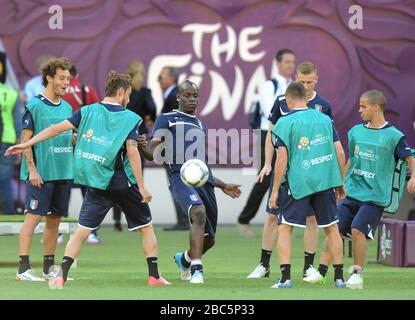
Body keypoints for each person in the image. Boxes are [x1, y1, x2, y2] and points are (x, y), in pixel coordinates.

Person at [7, 71, 170, 287]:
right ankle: (154, 276)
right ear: (120, 91)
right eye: (128, 95)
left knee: (81, 232)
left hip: (96, 183)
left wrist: (27, 144)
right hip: (122, 182)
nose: (129, 100)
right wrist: (142, 186)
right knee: (146, 227)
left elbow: (55, 129)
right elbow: (132, 153)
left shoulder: (86, 111)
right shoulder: (131, 118)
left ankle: (61, 275)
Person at [306, 90, 415, 289]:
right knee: (334, 230)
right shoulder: (355, 131)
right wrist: (342, 182)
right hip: (352, 191)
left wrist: (413, 177)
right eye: (359, 106)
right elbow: (351, 159)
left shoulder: (394, 136)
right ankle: (321, 272)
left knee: (357, 230)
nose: (360, 110)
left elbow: (410, 158)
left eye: (363, 106)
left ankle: (357, 275)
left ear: (376, 107)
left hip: (375, 196)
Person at [139, 80, 241, 284]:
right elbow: (152, 153)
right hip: (179, 177)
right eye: (187, 95)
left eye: (195, 96)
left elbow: (200, 166)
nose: (192, 99)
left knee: (210, 238)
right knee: (198, 213)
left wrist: (222, 185)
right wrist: (143, 145)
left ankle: (184, 260)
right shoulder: (166, 119)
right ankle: (196, 271)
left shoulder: (198, 124)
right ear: (178, 96)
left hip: (203, 181)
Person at [247, 61, 343, 280]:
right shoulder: (282, 101)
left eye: (309, 81)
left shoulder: (323, 105)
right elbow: (271, 134)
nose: (306, 85)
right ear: (296, 79)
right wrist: (267, 163)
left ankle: (308, 267)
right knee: (273, 216)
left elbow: (330, 141)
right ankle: (264, 264)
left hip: (311, 173)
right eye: (302, 81)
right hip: (286, 171)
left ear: (316, 79)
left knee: (311, 220)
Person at [268, 81, 346, 288]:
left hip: (299, 183)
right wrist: (340, 181)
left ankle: (285, 279)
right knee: (331, 229)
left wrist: (275, 190)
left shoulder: (283, 123)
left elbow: (282, 159)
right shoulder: (324, 119)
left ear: (289, 99)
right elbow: (339, 151)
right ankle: (339, 279)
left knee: (285, 228)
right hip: (325, 181)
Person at [14, 57, 73, 281]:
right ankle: (23, 270)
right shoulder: (35, 106)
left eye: (68, 78)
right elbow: (25, 139)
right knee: (33, 219)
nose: (66, 83)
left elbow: (67, 137)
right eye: (61, 78)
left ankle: (49, 269)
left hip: (63, 172)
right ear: (49, 78)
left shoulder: (68, 107)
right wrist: (32, 170)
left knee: (54, 221)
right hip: (41, 175)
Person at [238, 48, 295, 238]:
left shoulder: (294, 86)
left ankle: (285, 219)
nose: (290, 65)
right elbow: (271, 110)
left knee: (289, 176)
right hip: (268, 134)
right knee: (265, 176)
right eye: (287, 61)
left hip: (289, 135)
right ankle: (244, 218)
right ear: (278, 63)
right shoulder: (269, 85)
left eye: (292, 62)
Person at [63, 64, 102, 245]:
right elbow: (98, 116)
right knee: (89, 189)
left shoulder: (59, 90)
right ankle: (92, 232)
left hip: (63, 144)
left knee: (63, 188)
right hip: (86, 145)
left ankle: (59, 232)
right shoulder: (87, 89)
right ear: (77, 73)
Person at [158, 66, 190, 231]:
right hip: (176, 147)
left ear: (171, 78)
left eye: (161, 76)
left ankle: (184, 219)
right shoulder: (173, 95)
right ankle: (184, 218)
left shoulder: (173, 96)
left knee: (176, 183)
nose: (159, 80)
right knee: (179, 183)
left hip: (173, 148)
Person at [0, 81, 22, 214]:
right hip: (8, 139)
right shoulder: (12, 93)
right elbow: (18, 122)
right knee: (5, 178)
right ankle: (7, 213)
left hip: (7, 140)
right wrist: (19, 147)